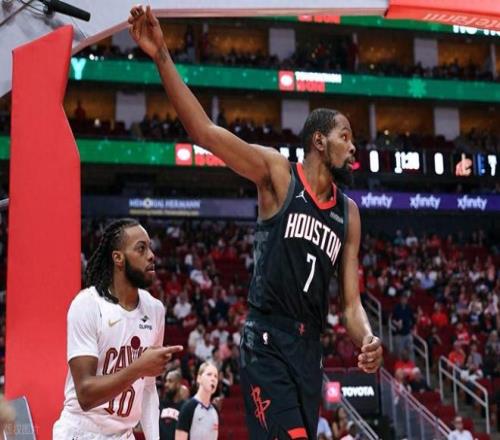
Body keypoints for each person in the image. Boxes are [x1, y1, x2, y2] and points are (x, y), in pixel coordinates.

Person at [128, 7, 383, 439]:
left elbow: (351, 304)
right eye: (345, 136)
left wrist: (368, 339)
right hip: (267, 339)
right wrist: (162, 56)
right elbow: (204, 131)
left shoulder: (349, 214)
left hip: (309, 350)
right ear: (319, 141)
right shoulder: (278, 174)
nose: (353, 147)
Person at [53, 218, 183, 439]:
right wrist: (138, 367)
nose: (151, 255)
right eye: (141, 248)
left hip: (123, 433)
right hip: (82, 431)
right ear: (118, 258)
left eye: (150, 247)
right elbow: (85, 394)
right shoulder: (87, 304)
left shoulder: (155, 309)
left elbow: (148, 387)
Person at [175, 362, 219, 440]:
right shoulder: (188, 407)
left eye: (216, 376)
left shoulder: (215, 410)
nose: (213, 379)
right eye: (209, 374)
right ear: (199, 378)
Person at [160, 369, 190, 440]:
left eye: (170, 381)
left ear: (178, 384)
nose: (166, 384)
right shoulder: (160, 404)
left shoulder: (186, 407)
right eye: (166, 381)